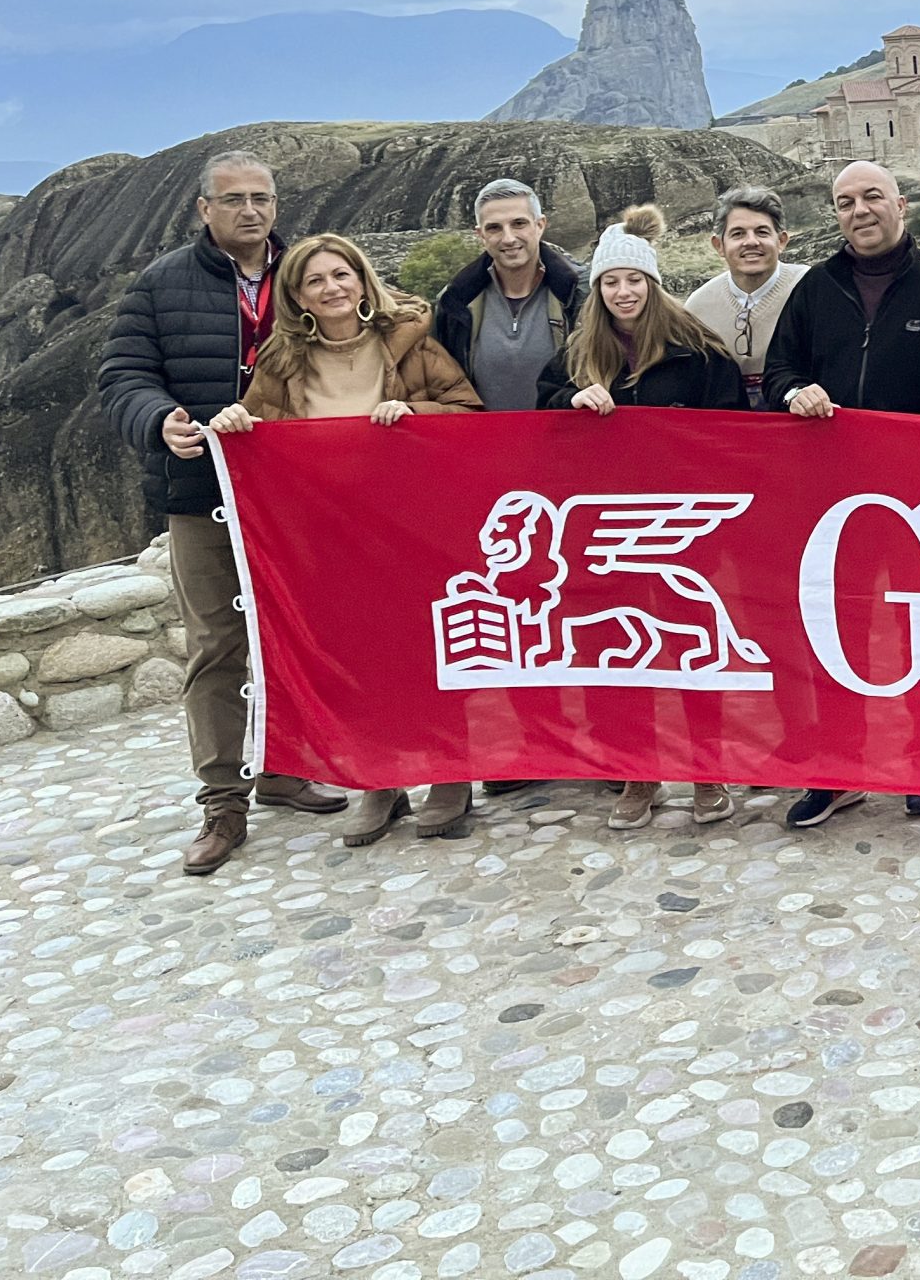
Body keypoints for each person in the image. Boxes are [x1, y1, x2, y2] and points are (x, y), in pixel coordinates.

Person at [97, 150, 350, 876]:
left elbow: (373, 333)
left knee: (297, 637)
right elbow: (123, 374)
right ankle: (222, 805)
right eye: (233, 199)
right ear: (204, 209)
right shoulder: (162, 284)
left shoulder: (306, 275)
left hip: (300, 499)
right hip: (202, 495)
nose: (250, 210)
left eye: (262, 198)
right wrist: (159, 421)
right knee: (216, 646)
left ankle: (284, 770)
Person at [206, 234, 486, 846]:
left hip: (411, 527)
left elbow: (468, 412)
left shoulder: (410, 341)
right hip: (330, 537)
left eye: (343, 274)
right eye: (316, 281)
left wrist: (415, 417)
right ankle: (379, 782)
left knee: (428, 649)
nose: (332, 288)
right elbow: (259, 434)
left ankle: (449, 775)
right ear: (298, 295)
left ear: (362, 280)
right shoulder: (281, 361)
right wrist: (235, 422)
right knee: (356, 660)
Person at [763, 160, 920, 829]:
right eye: (846, 202)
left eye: (872, 196)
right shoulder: (817, 287)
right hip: (833, 495)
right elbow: (780, 368)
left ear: (900, 202)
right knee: (835, 629)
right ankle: (840, 768)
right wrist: (795, 391)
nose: (860, 211)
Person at [538, 205, 750, 829]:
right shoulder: (576, 357)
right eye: (611, 282)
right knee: (612, 650)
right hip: (602, 530)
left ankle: (706, 768)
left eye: (634, 281)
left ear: (653, 286)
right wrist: (569, 399)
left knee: (689, 646)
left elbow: (735, 435)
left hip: (679, 529)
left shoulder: (699, 354)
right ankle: (635, 770)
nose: (623, 292)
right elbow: (539, 416)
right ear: (597, 292)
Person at [431, 178, 586, 415]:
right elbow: (439, 385)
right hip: (484, 446)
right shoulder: (455, 302)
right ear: (480, 234)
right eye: (494, 228)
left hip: (566, 443)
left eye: (519, 224)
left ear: (540, 225)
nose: (509, 238)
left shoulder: (579, 295)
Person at [685, 186, 808, 410]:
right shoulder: (697, 307)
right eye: (738, 233)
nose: (751, 242)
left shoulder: (809, 289)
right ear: (719, 245)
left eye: (762, 232)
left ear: (781, 240)